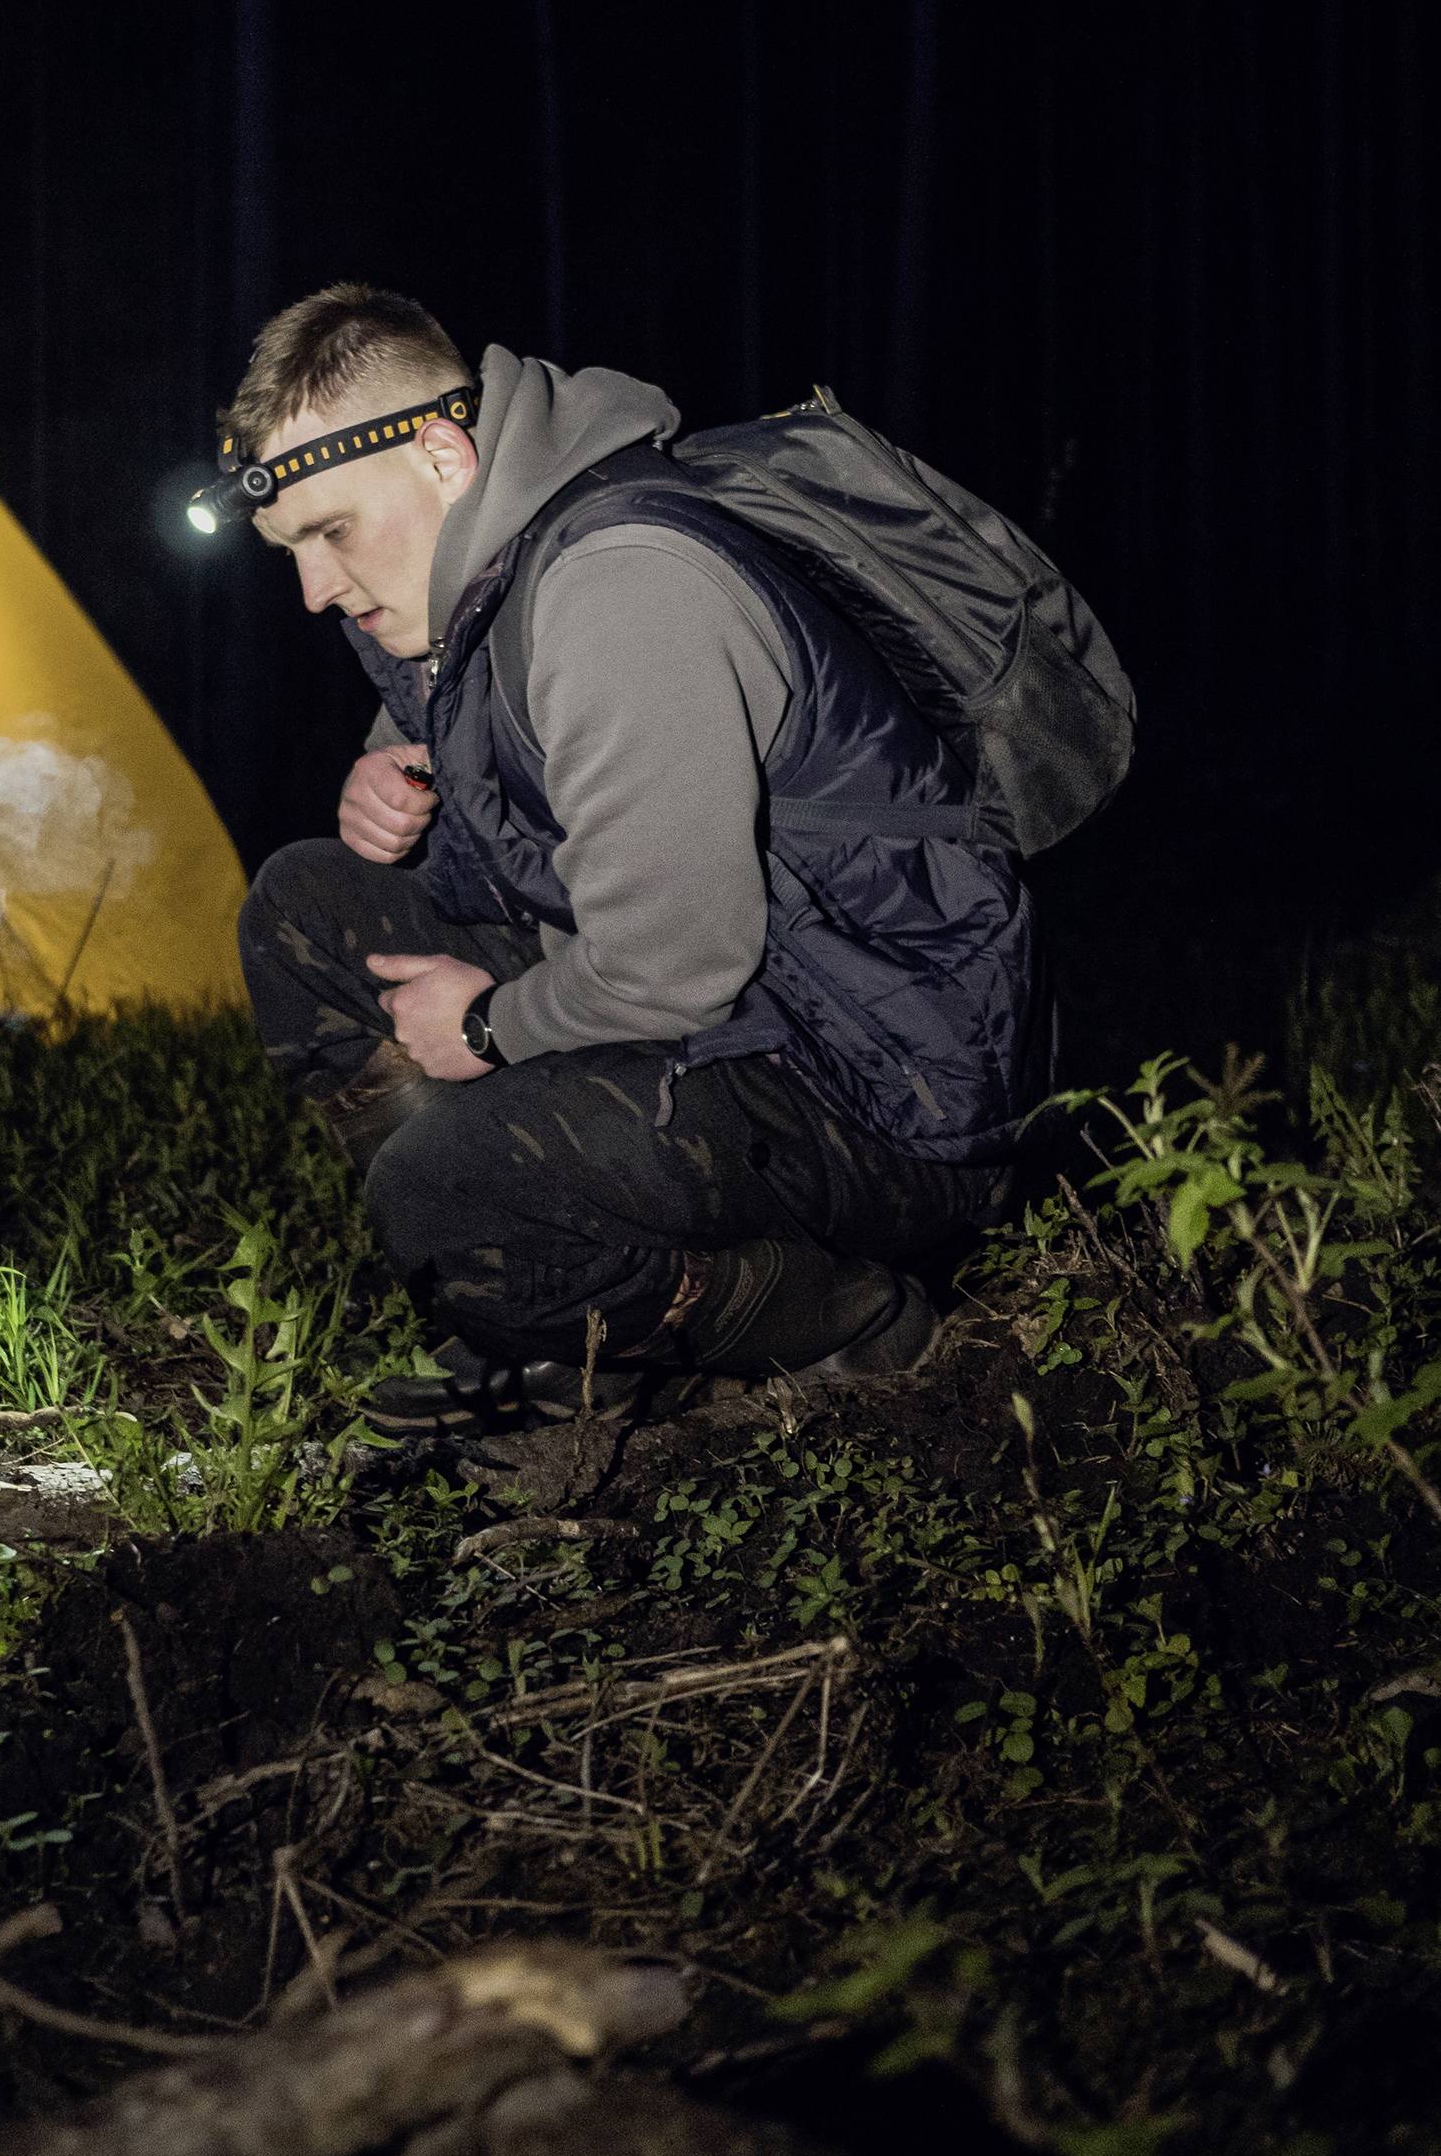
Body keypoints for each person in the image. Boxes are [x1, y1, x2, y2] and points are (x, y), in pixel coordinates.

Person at [225, 283, 1048, 1432]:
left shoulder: (619, 584)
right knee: (304, 911)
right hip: (748, 1004)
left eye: (332, 531)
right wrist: (392, 771)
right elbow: (498, 748)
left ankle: (850, 1325)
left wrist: (483, 1027)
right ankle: (552, 1327)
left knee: (440, 1185)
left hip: (878, 1083)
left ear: (442, 457)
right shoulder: (491, 557)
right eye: (291, 549)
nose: (314, 589)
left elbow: (670, 966)